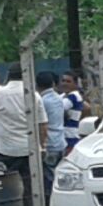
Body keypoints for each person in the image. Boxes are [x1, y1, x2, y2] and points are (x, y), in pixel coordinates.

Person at [0, 65, 47, 206]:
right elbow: (43, 125)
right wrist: (42, 146)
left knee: (5, 184)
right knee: (31, 184)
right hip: (30, 148)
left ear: (8, 75)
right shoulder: (34, 95)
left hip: (6, 148)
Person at [37, 71, 67, 199]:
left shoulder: (41, 101)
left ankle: (51, 203)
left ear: (37, 85)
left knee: (49, 179)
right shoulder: (59, 98)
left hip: (49, 144)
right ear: (53, 83)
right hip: (60, 142)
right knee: (60, 177)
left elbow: (41, 124)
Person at [58, 70, 92, 151]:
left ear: (75, 84)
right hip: (63, 137)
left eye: (68, 81)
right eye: (63, 81)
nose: (65, 83)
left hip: (70, 138)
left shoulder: (74, 96)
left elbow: (57, 108)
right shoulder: (62, 96)